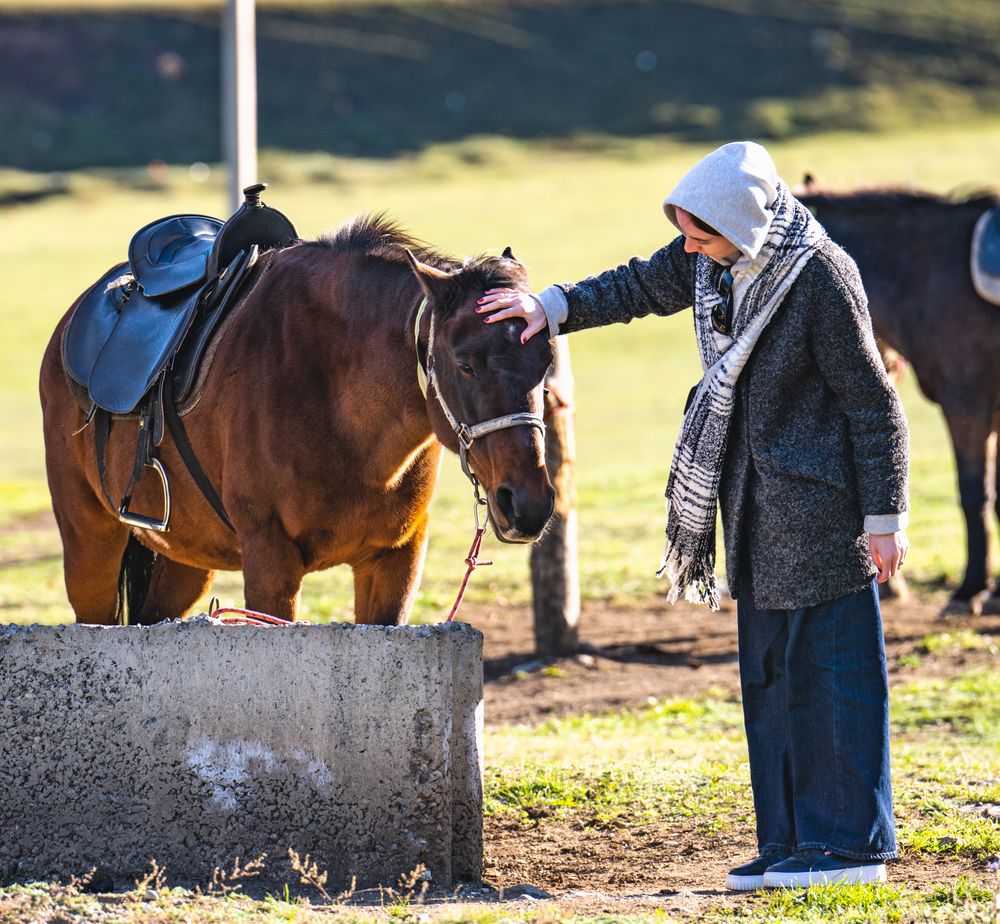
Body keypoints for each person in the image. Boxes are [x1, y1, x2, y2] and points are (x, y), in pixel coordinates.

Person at [477, 141, 909, 890]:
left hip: (826, 515)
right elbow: (639, 285)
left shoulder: (821, 278)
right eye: (684, 229)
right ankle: (790, 842)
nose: (688, 245)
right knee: (770, 681)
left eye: (700, 232)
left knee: (832, 676)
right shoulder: (712, 260)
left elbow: (875, 408)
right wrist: (549, 306)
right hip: (748, 512)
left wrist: (884, 517)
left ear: (742, 224)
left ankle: (849, 847)